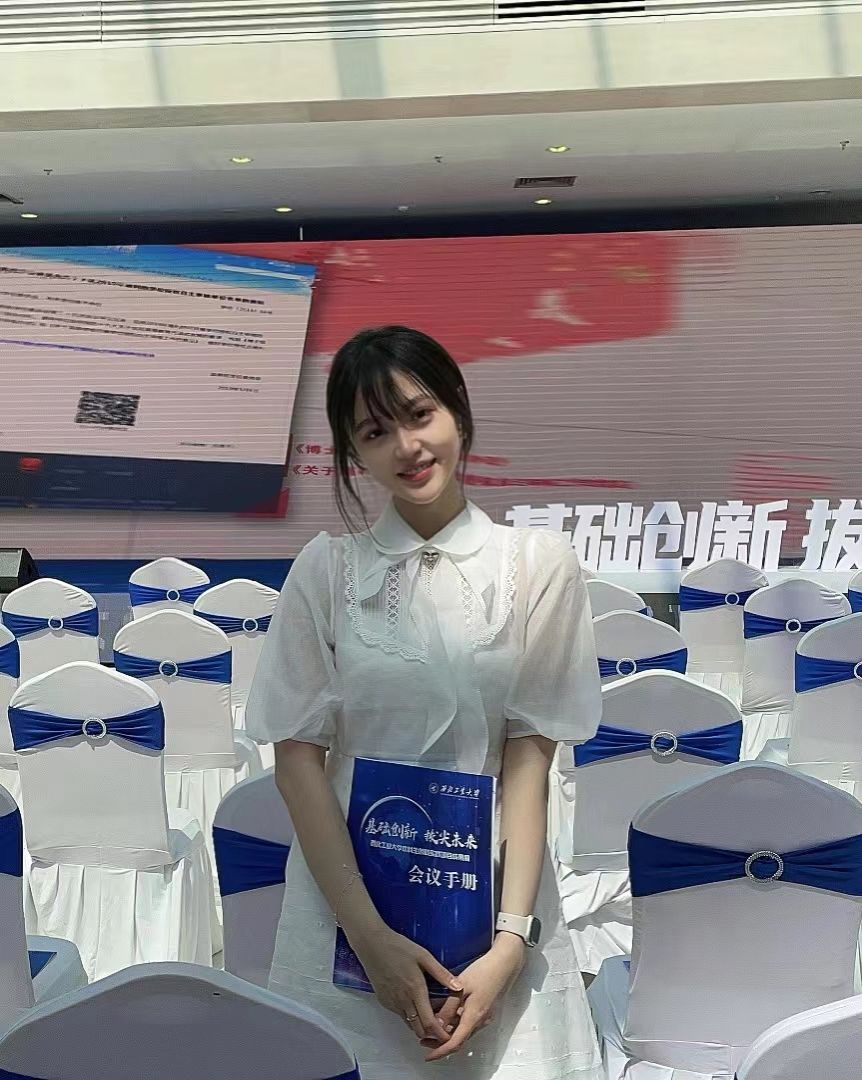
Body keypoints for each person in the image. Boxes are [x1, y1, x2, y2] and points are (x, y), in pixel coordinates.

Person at [245, 325, 603, 1079]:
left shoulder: (538, 565)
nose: (407, 447)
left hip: (494, 896)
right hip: (347, 903)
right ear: (353, 454)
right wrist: (368, 938)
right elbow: (298, 763)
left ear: (458, 411)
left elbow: (529, 757)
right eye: (375, 432)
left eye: (419, 414)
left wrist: (511, 940)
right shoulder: (326, 571)